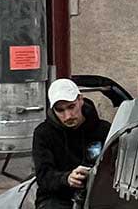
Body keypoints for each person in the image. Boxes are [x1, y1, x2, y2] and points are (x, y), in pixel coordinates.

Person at [32, 78, 109, 209]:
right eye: (60, 110)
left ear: (80, 100)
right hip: (56, 196)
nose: (68, 116)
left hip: (98, 194)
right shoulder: (43, 133)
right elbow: (43, 175)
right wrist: (67, 178)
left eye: (71, 106)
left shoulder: (104, 129)